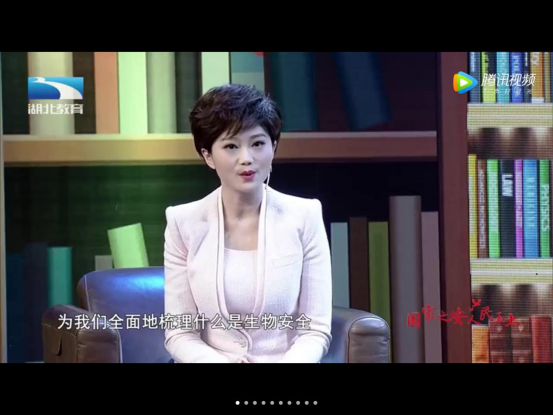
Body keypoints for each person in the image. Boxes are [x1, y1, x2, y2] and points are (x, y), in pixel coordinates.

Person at [163, 84, 332, 363]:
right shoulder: (183, 223)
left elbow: (314, 330)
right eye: (231, 146)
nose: (247, 158)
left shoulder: (305, 216)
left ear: (273, 148)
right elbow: (180, 333)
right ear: (208, 156)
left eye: (257, 144)